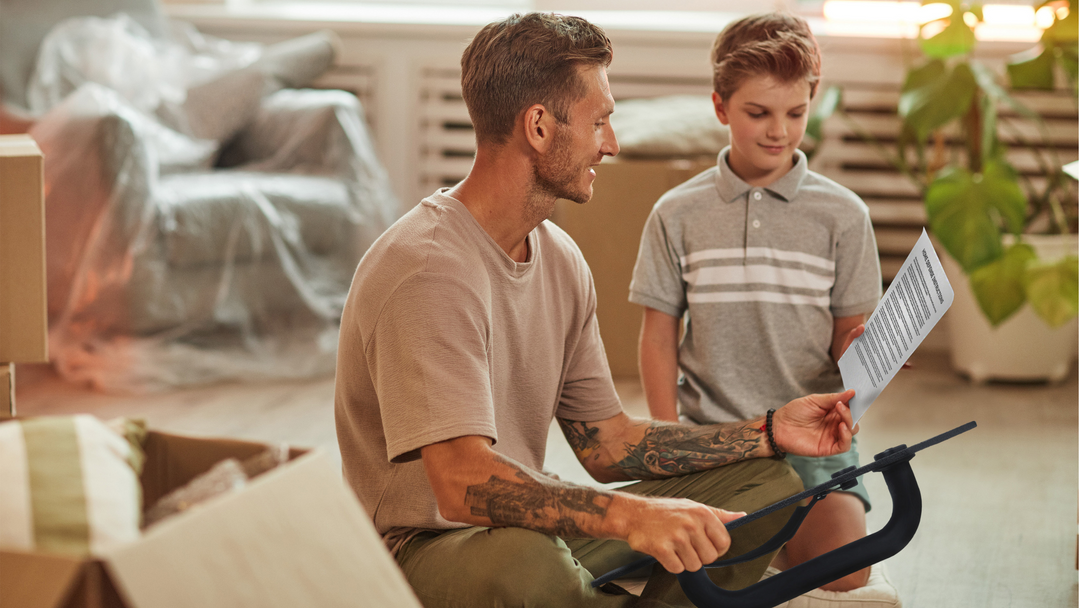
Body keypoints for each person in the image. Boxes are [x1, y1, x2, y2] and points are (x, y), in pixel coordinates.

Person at [336, 12, 860, 608]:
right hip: (427, 555)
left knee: (769, 486)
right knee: (527, 560)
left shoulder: (559, 258)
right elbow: (460, 483)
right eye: (599, 121)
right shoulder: (426, 268)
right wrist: (632, 517)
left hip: (528, 536)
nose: (611, 143)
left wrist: (768, 432)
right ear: (538, 125)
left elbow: (607, 445)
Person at [630, 12, 899, 608]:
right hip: (713, 437)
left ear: (810, 104)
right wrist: (665, 442)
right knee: (680, 574)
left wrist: (871, 357)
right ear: (721, 107)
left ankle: (781, 539)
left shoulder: (844, 215)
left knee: (848, 575)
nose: (779, 131)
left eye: (795, 114)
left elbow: (846, 336)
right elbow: (657, 336)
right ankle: (770, 539)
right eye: (759, 113)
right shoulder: (675, 213)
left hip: (817, 438)